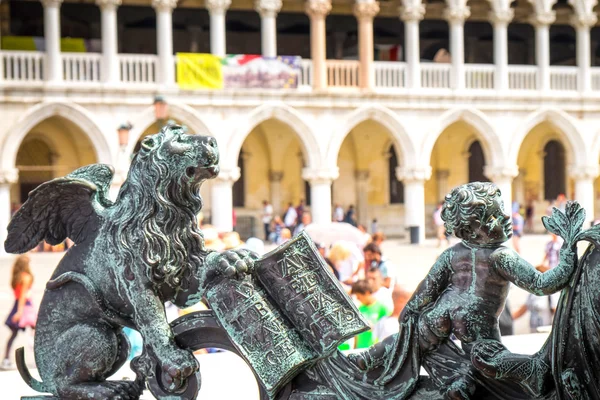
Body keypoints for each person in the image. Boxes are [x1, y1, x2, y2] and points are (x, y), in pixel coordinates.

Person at [351, 182, 579, 398]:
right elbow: (541, 284)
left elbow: (427, 290)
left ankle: (372, 357)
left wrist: (409, 314)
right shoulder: (479, 256)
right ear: (473, 230)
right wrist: (569, 255)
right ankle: (372, 358)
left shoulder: (475, 255)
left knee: (430, 344)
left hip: (459, 325)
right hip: (459, 323)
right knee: (469, 353)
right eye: (496, 216)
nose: (506, 218)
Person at [3, 254, 37, 370]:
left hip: (17, 305)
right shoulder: (26, 277)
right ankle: (40, 358)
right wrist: (19, 312)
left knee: (14, 334)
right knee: (37, 333)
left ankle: (6, 359)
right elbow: (23, 296)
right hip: (25, 307)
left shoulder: (16, 277)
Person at [512, 265, 559, 333]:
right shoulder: (532, 294)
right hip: (533, 331)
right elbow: (523, 309)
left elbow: (556, 312)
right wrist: (506, 319)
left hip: (546, 331)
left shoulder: (552, 294)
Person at [351, 280, 390, 349]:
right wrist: (355, 348)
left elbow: (387, 329)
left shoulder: (382, 308)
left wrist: (374, 327)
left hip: (375, 349)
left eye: (359, 296)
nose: (357, 299)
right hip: (360, 348)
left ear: (367, 293)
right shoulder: (360, 308)